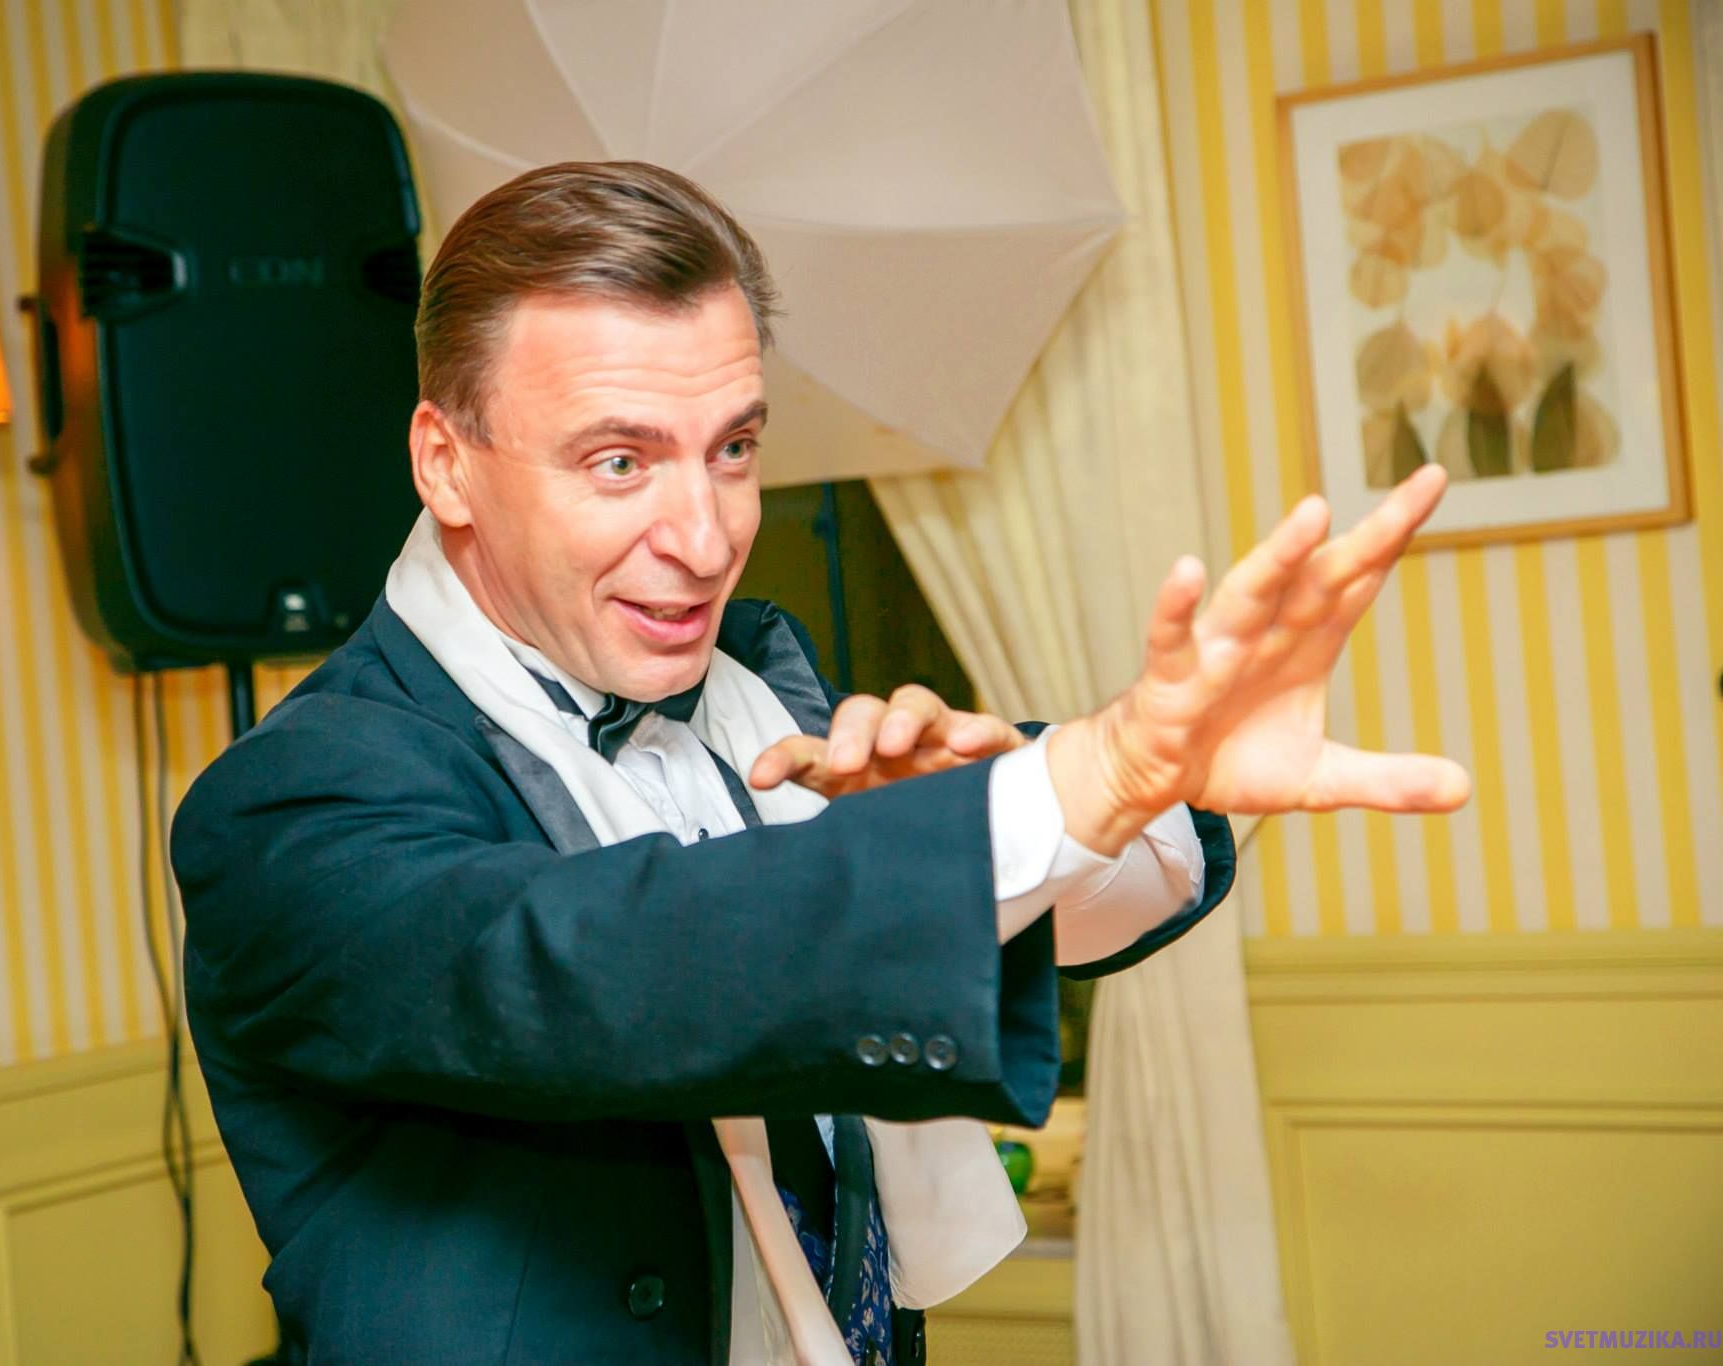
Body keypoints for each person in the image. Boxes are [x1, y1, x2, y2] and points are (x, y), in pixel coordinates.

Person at [172, 161, 1468, 1366]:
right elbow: (596, 965)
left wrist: (1112, 791)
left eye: (732, 448)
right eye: (620, 461)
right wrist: (1047, 794)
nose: (706, 538)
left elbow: (987, 918)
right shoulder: (288, 806)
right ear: (446, 464)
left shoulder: (755, 689)